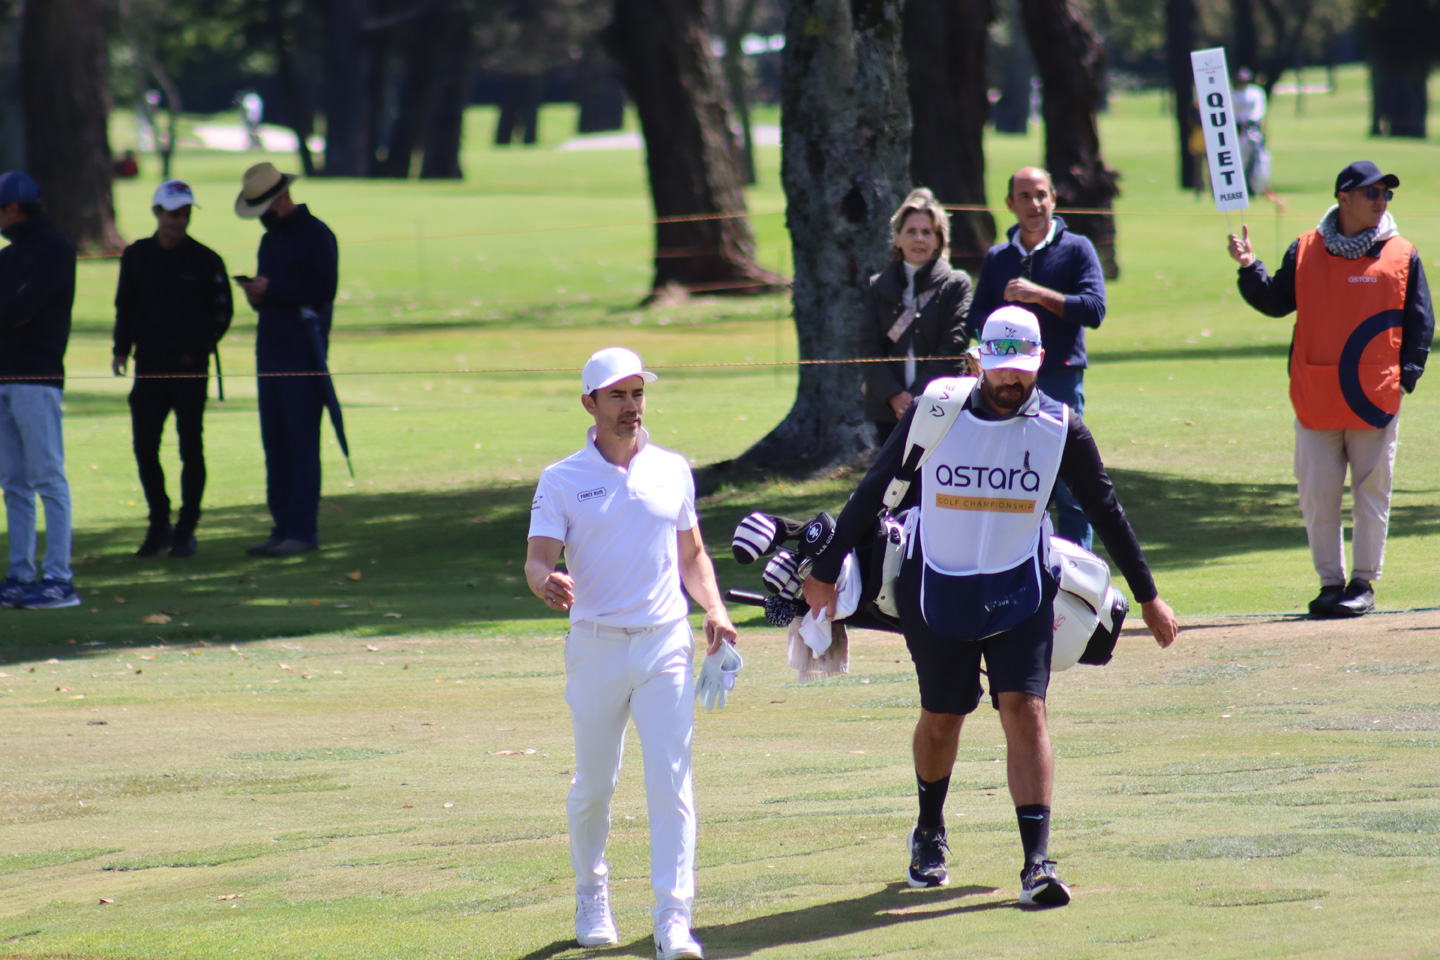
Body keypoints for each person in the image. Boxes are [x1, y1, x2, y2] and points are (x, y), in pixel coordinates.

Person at [802, 306, 1178, 906]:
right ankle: (929, 831)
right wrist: (824, 571)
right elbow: (875, 488)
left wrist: (1149, 595)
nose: (1011, 379)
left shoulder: (1061, 427)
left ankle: (1037, 863)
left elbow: (1105, 508)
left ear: (1040, 363)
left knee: (1026, 711)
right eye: (1001, 367)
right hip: (935, 589)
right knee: (943, 717)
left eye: (1022, 368)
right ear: (979, 361)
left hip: (1020, 592)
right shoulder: (936, 411)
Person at [525, 347, 736, 959]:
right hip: (596, 647)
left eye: (637, 394)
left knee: (671, 781)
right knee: (596, 783)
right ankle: (591, 892)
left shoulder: (671, 469)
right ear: (589, 403)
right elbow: (538, 560)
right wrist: (546, 582)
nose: (631, 406)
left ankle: (673, 918)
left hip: (665, 641)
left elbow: (692, 554)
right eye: (617, 396)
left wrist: (715, 608)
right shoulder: (562, 478)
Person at [1227, 161, 1432, 618]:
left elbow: (1420, 321)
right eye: (1372, 193)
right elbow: (1276, 301)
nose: (1381, 201)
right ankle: (1329, 583)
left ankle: (1363, 582)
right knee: (1318, 493)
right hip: (1316, 394)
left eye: (1386, 194)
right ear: (1343, 198)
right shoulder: (1304, 248)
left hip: (1375, 397)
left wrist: (1406, 376)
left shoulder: (1402, 253)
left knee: (1371, 491)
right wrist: (1249, 266)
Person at [969, 167, 1106, 550]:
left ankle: (1076, 571)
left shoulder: (1078, 248)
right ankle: (1011, 562)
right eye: (1025, 196)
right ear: (1010, 203)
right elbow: (976, 315)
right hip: (1006, 385)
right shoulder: (998, 257)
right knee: (1009, 477)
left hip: (1060, 378)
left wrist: (1039, 295)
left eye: (1041, 194)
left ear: (1054, 199)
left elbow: (1094, 309)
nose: (1035, 203)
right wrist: (994, 339)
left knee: (1069, 483)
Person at [112, 180, 233, 558]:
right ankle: (159, 522)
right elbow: (125, 306)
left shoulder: (206, 259)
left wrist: (199, 346)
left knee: (190, 447)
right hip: (149, 366)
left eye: (185, 214)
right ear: (157, 213)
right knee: (145, 447)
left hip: (190, 368)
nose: (180, 221)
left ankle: (186, 528)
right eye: (173, 214)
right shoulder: (137, 256)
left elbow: (222, 311)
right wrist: (121, 349)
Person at [233, 162, 338, 557]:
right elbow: (275, 297)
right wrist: (259, 294)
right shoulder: (270, 241)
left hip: (302, 354)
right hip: (270, 352)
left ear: (281, 199)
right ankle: (281, 526)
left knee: (301, 445)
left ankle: (302, 531)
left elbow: (324, 289)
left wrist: (272, 289)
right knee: (275, 445)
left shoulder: (317, 235)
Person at [0, 172, 79, 609]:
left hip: (37, 376)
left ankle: (59, 579)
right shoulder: (9, 256)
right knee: (13, 481)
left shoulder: (56, 250)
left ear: (13, 209)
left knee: (48, 477)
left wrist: (10, 312)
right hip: (4, 376)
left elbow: (22, 307)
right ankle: (20, 574)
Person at [859, 187, 974, 444]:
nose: (919, 239)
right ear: (897, 238)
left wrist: (919, 398)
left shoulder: (956, 284)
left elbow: (954, 345)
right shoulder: (877, 286)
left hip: (941, 405)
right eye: (911, 232)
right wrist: (894, 396)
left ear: (939, 240)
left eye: (926, 232)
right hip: (889, 410)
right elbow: (869, 348)